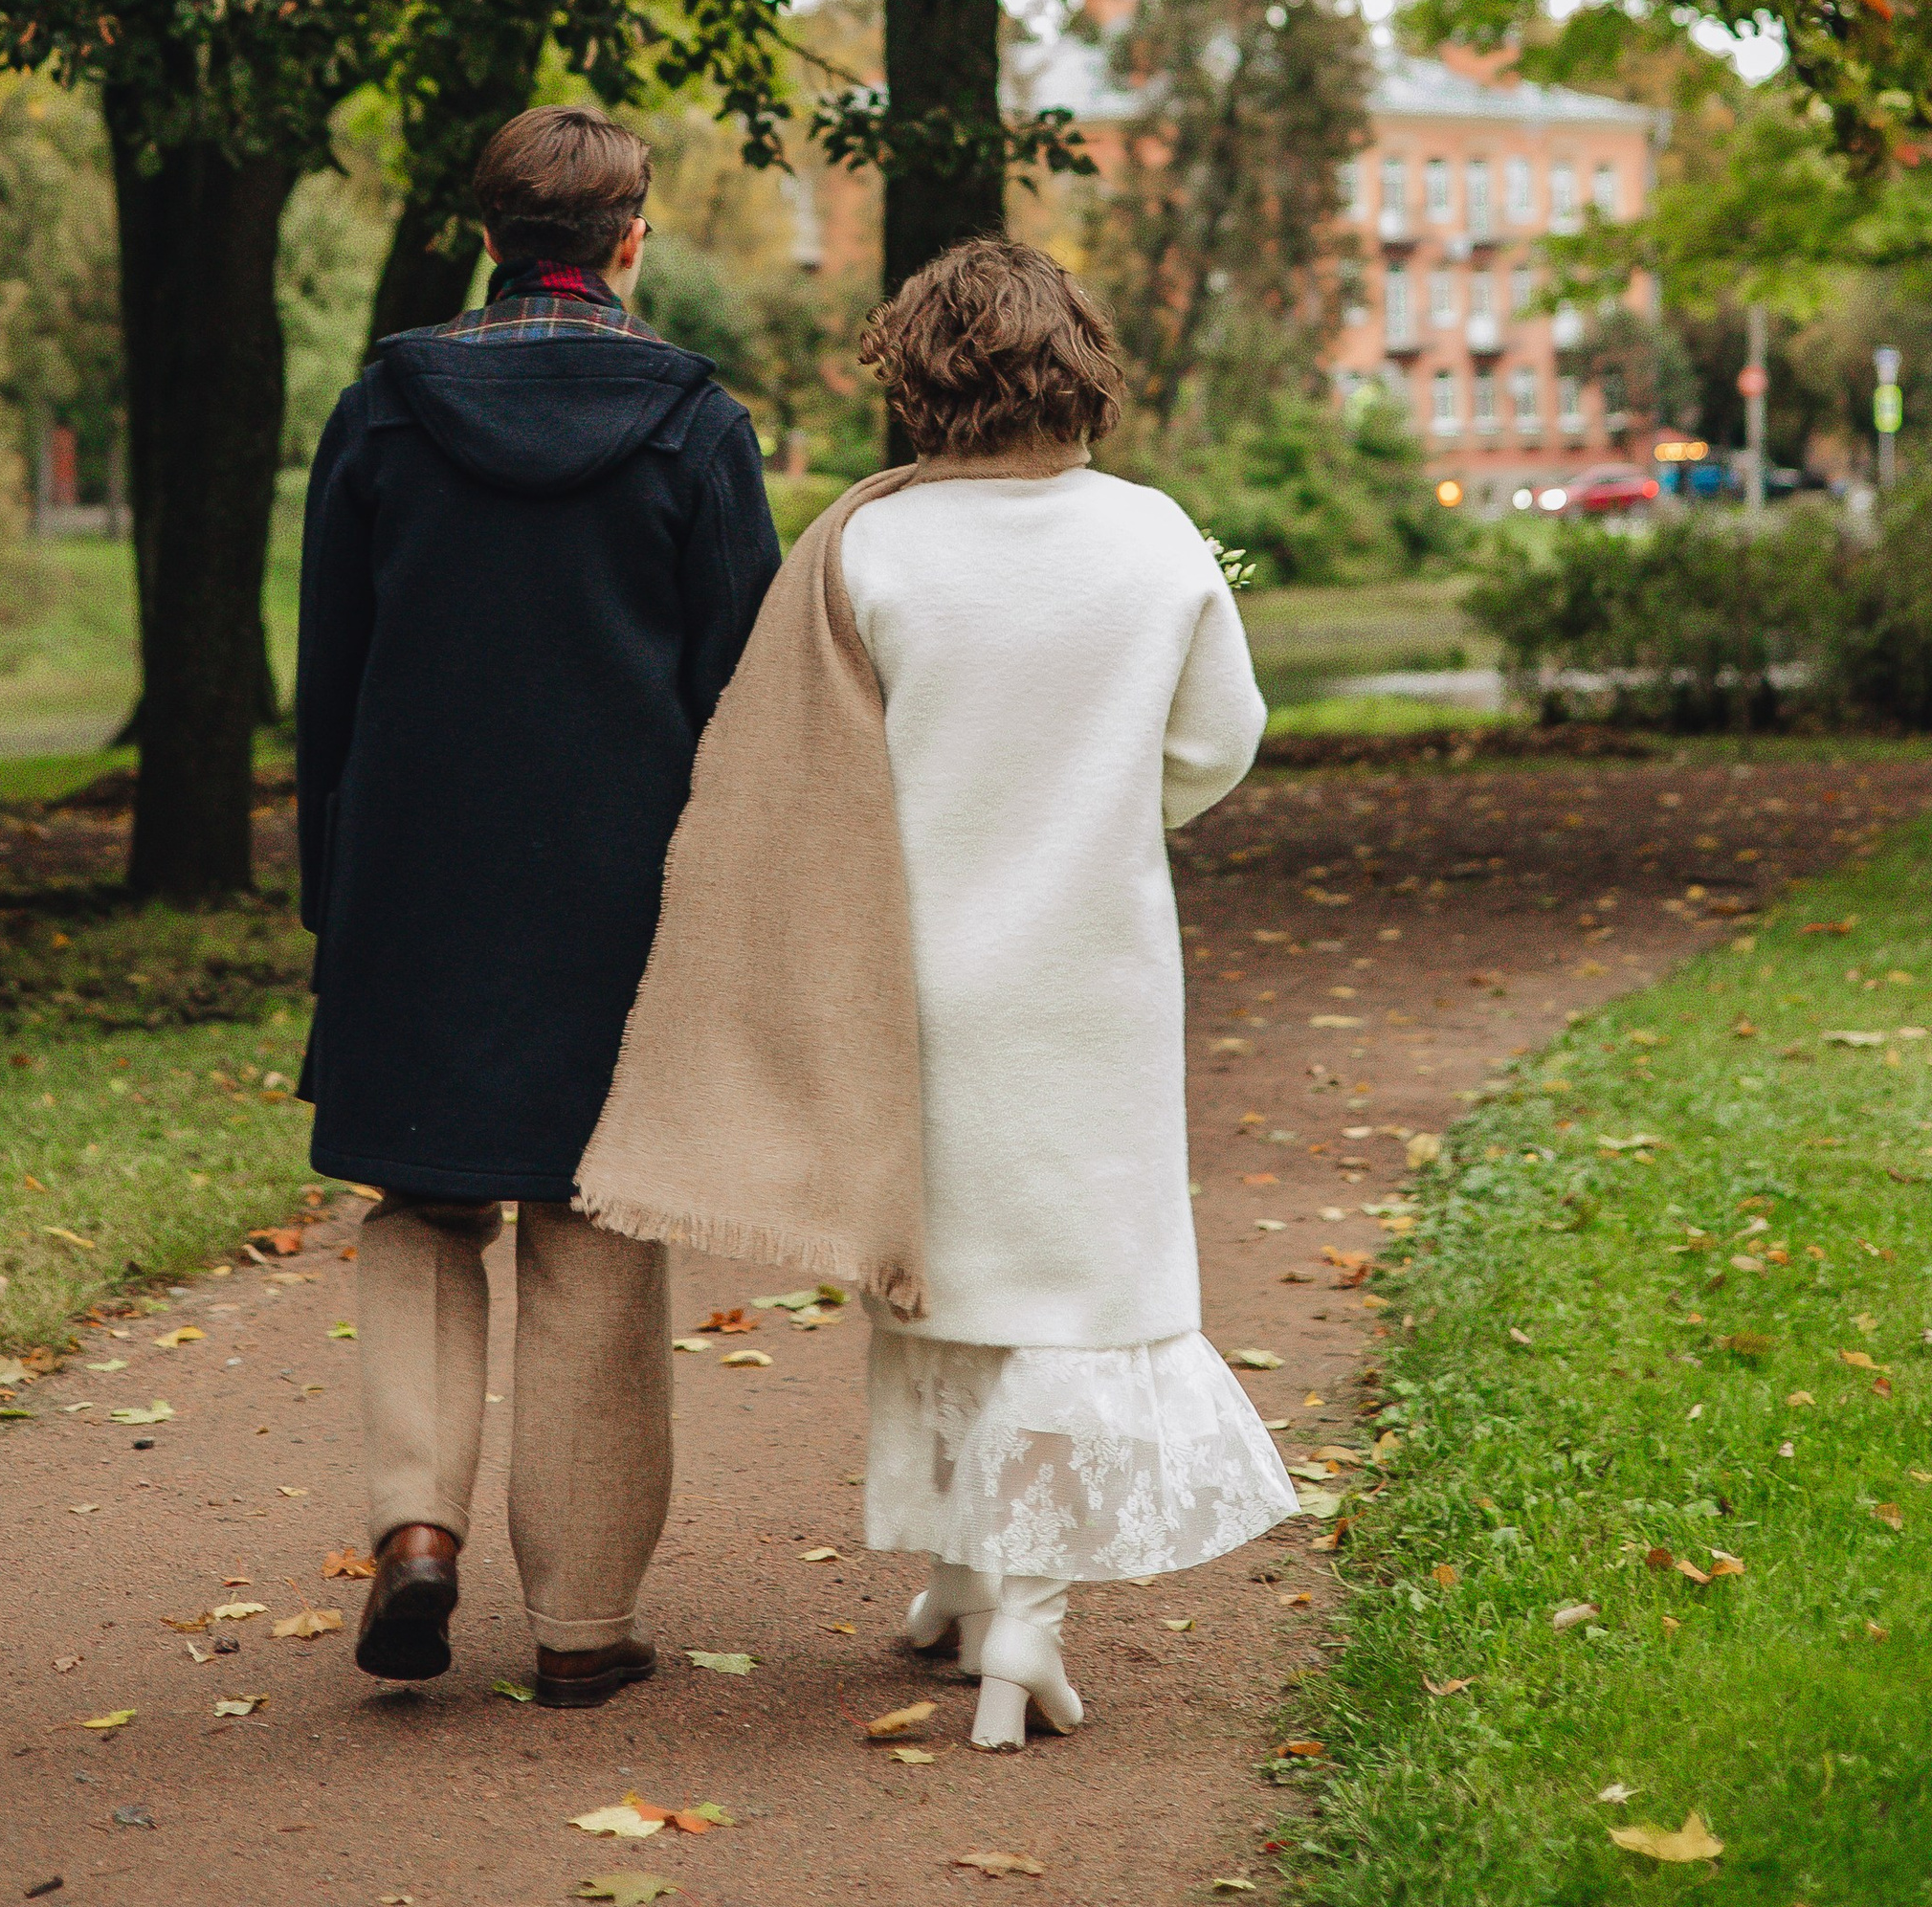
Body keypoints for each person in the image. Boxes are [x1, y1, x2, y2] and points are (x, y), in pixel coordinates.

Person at [577, 235, 1294, 1751]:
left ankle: (976, 1581)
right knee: (1069, 1286)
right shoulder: (1157, 538)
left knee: (940, 1266)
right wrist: (1108, 807)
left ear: (916, 374)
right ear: (1078, 361)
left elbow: (806, 765)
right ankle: (1009, 1603)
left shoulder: (866, 550)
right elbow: (1219, 739)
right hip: (1092, 975)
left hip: (911, 974)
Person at [293, 106, 779, 1705]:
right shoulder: (696, 425)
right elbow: (743, 691)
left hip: (414, 883)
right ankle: (581, 1625)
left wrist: (334, 896)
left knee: (426, 1208)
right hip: (619, 894)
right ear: (631, 237)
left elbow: (335, 681)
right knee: (591, 1223)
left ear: (482, 235)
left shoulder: (381, 411)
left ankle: (417, 1529)